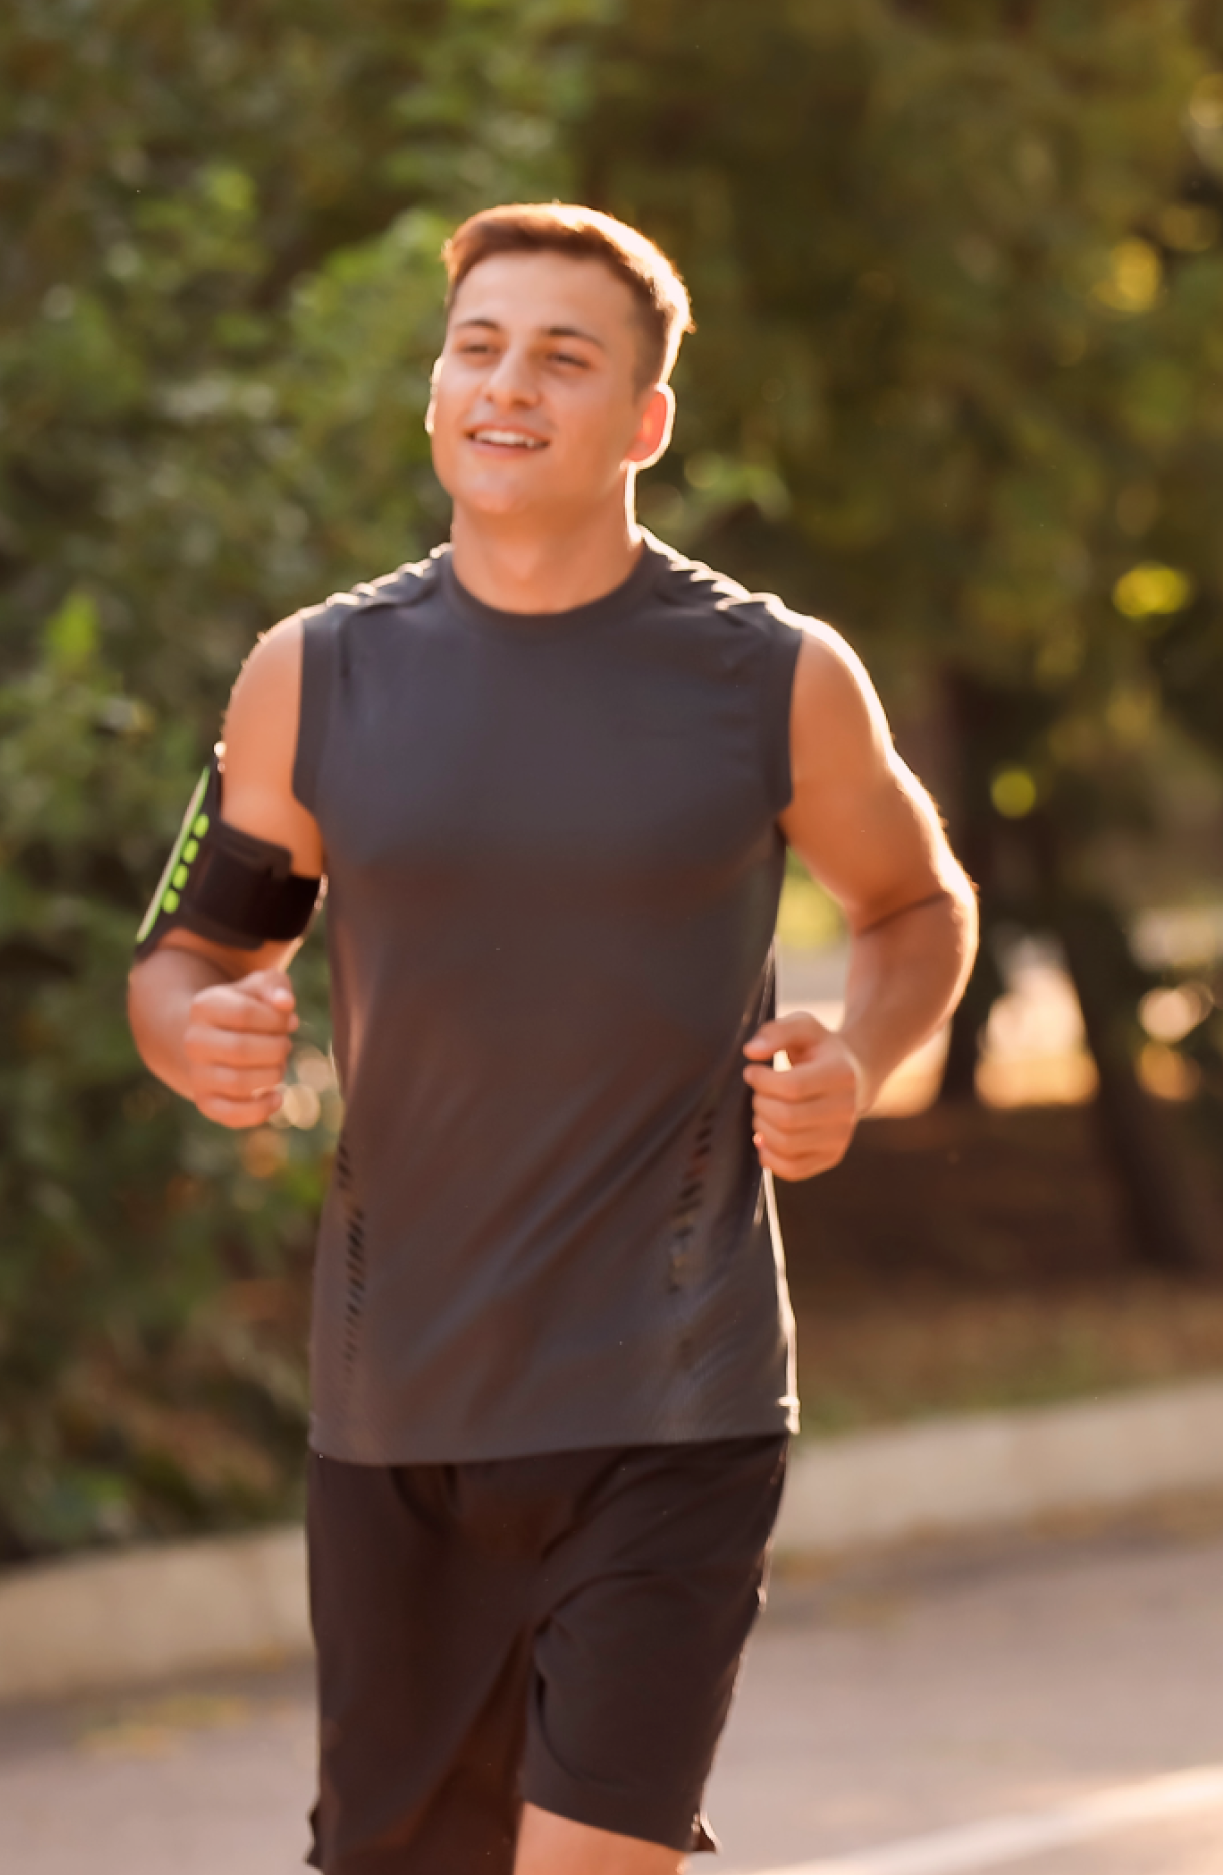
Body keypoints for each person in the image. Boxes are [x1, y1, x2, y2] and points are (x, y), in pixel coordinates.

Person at [127, 203, 977, 1875]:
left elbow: (916, 904)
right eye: (479, 346)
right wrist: (195, 1035)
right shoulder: (311, 679)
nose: (506, 384)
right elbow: (192, 943)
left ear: (645, 423)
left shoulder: (773, 678)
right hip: (397, 1407)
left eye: (563, 358)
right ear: (438, 388)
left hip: (676, 1393)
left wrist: (861, 1056)